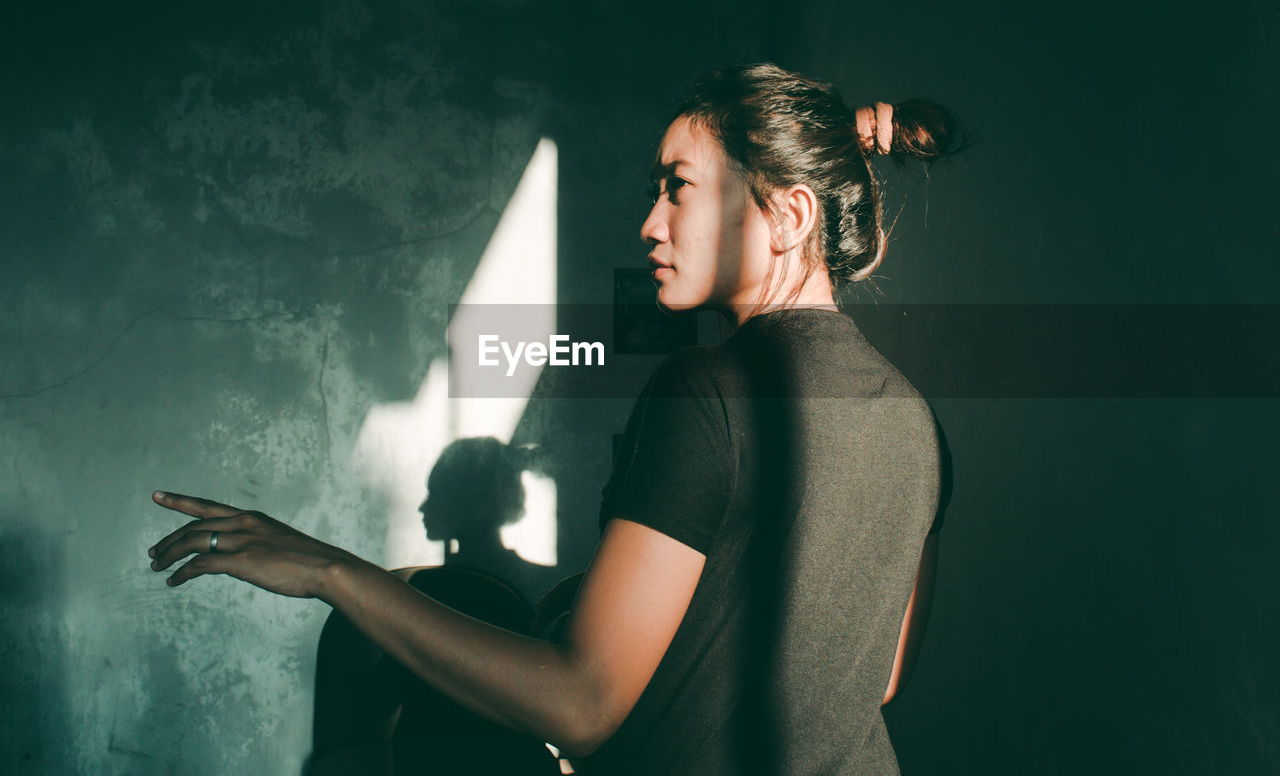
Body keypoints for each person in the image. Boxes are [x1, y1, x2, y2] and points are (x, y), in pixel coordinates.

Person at [147, 63, 959, 773]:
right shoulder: (915, 418)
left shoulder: (704, 392)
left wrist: (331, 571)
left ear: (787, 216)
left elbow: (582, 703)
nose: (651, 222)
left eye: (677, 185)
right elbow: (876, 672)